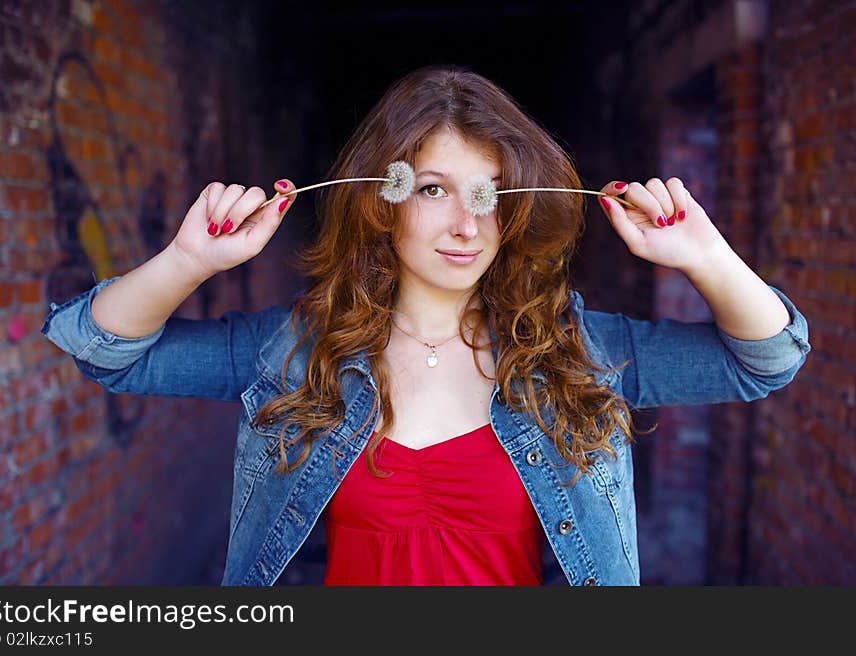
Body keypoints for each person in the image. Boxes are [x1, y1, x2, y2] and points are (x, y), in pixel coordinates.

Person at [41, 65, 811, 586]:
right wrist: (187, 259)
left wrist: (703, 253)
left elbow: (768, 359)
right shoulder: (292, 353)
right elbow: (99, 349)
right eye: (434, 188)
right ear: (384, 199)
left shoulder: (581, 352)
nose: (467, 223)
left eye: (490, 193)